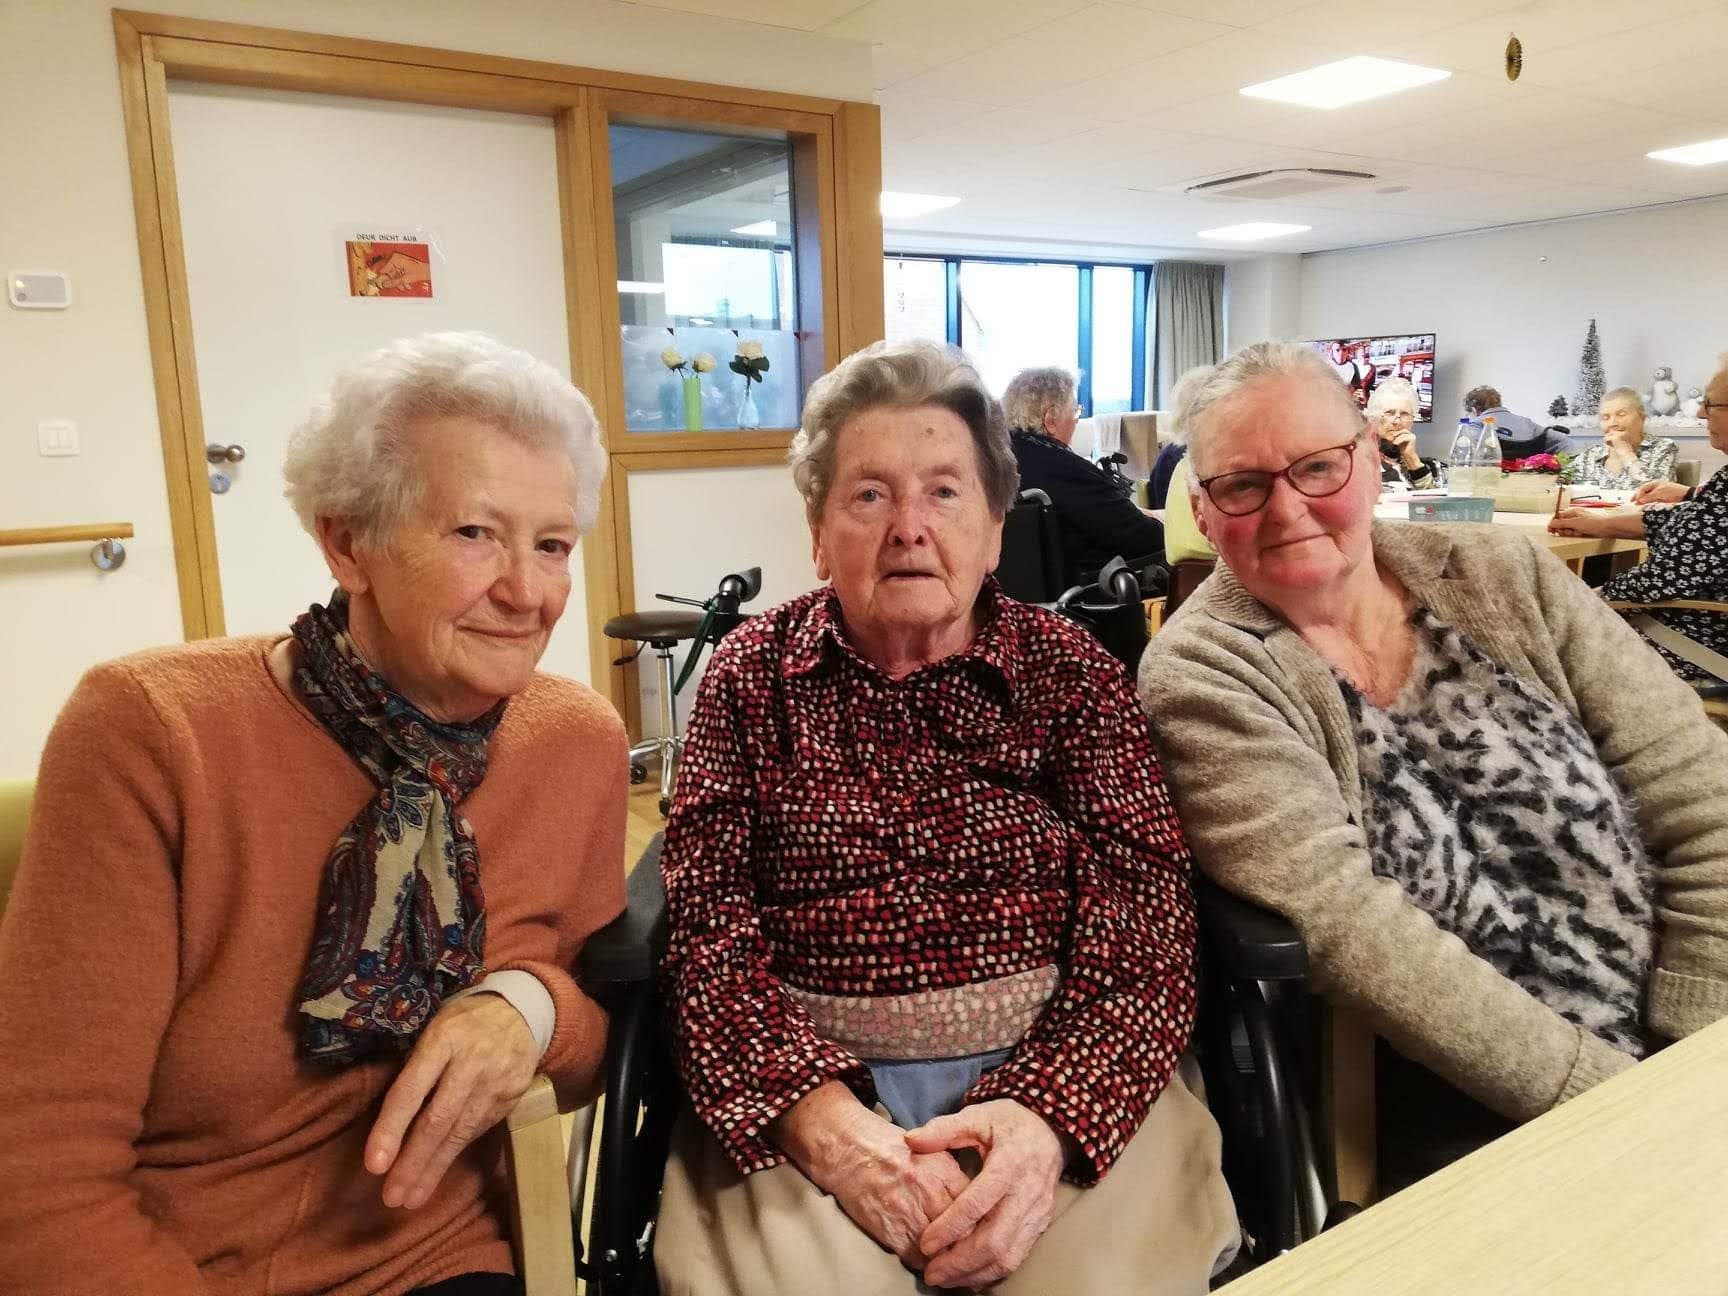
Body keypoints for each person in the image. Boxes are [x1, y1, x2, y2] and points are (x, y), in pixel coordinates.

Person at [0, 332, 626, 1295]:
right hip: (168, 1261)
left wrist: (528, 1007)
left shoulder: (572, 742)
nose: (526, 593)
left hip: (433, 1258)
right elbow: (40, 1167)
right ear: (347, 542)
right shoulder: (152, 731)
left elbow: (593, 1043)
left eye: (552, 545)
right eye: (474, 533)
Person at [653, 340, 1237, 1296]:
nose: (909, 529)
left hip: (1069, 1069)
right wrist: (828, 1129)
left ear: (995, 528)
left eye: (945, 492)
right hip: (810, 1094)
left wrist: (1047, 1119)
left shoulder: (1070, 671)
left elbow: (1148, 920)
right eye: (869, 495)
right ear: (818, 531)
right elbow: (707, 930)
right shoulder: (751, 679)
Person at [1139, 341, 1728, 1182]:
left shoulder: (1506, 574)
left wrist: (1694, 1035)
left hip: (1689, 1015)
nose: (1287, 509)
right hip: (1487, 1090)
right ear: (1202, 508)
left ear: (1372, 461)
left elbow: (1700, 793)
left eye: (1318, 467)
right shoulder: (1203, 673)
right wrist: (1614, 1106)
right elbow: (1354, 933)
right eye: (1242, 485)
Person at [1552, 361, 1728, 681]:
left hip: (1694, 646)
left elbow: (1665, 578)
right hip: (1691, 627)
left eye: (1711, 404)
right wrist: (1601, 525)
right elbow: (1693, 521)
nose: (1702, 413)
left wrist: (1586, 599)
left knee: (1538, 641)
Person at [1001, 365, 1164, 588]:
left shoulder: (1000, 460)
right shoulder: (1064, 467)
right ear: (1050, 419)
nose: (1076, 420)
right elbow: (1142, 537)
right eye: (1075, 412)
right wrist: (1167, 525)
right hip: (1092, 590)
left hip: (1015, 593)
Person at [1568, 386, 1679, 489]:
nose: (1613, 423)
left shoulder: (1663, 447)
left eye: (1621, 414)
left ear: (1642, 418)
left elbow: (1658, 492)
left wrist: (1624, 451)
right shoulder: (1590, 456)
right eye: (1605, 417)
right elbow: (1564, 488)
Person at [1364, 376, 1438, 487]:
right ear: (1374, 417)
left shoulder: (1429, 465)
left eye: (1404, 414)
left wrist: (1411, 458)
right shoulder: (1360, 462)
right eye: (1390, 413)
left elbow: (1433, 498)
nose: (1397, 421)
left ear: (1412, 420)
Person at [1462, 384, 1573, 454]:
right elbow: (1563, 441)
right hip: (1528, 479)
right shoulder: (1527, 423)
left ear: (1474, 410)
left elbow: (1464, 456)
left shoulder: (1473, 426)